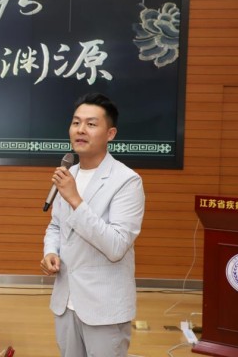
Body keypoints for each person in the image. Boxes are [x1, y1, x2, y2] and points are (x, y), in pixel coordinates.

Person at [40, 92, 145, 357]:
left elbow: (116, 246)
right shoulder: (69, 174)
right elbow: (56, 226)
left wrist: (75, 200)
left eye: (91, 124)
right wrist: (50, 251)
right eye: (76, 122)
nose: (80, 130)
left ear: (110, 134)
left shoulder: (127, 181)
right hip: (66, 301)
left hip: (104, 307)